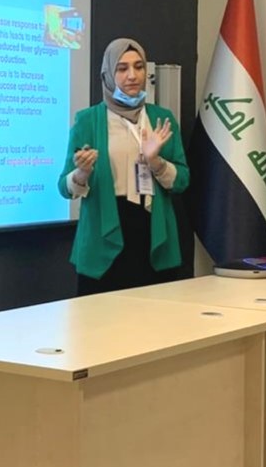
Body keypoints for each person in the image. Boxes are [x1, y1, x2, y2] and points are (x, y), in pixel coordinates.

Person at [58, 37, 190, 294]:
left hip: (152, 230)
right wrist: (82, 172)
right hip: (104, 233)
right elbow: (64, 187)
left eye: (139, 67)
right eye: (122, 68)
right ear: (107, 74)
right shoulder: (88, 120)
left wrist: (155, 161)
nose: (132, 76)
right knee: (102, 316)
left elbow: (182, 181)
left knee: (157, 315)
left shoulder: (162, 118)